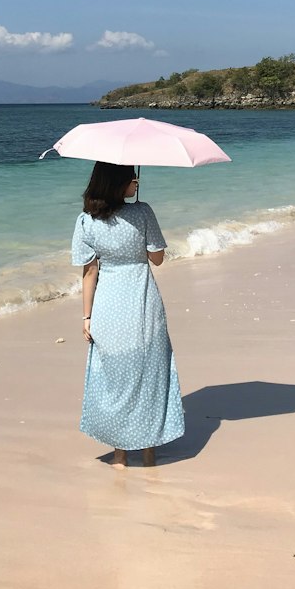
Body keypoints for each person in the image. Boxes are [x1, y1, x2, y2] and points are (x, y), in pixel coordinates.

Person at [71, 162, 185, 467]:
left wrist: (86, 317)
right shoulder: (142, 211)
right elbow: (157, 259)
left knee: (113, 378)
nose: (136, 181)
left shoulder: (86, 221)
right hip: (141, 299)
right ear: (118, 183)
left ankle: (119, 454)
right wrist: (141, 223)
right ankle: (148, 450)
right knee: (149, 371)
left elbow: (89, 272)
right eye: (131, 178)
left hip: (107, 305)